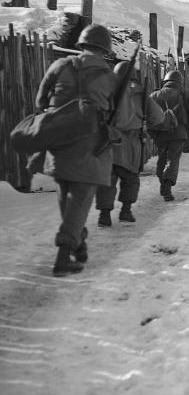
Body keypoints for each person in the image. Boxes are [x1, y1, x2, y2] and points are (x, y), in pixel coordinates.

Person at [34, 24, 119, 275]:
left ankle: (78, 242)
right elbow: (120, 117)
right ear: (105, 50)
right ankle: (63, 256)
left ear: (81, 44)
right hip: (90, 146)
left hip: (58, 141)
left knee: (67, 200)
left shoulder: (59, 66)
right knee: (80, 202)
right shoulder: (111, 78)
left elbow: (40, 102)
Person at [95, 61, 165, 226]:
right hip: (132, 145)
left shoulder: (107, 92)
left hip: (109, 143)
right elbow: (158, 117)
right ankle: (126, 211)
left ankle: (104, 216)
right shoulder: (140, 94)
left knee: (107, 180)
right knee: (130, 179)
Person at [149, 70, 189, 201]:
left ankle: (164, 181)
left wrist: (153, 134)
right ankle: (167, 185)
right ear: (179, 82)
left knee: (162, 159)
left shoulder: (154, 95)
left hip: (160, 134)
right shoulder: (184, 94)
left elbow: (147, 117)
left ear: (165, 81)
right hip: (179, 134)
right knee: (173, 160)